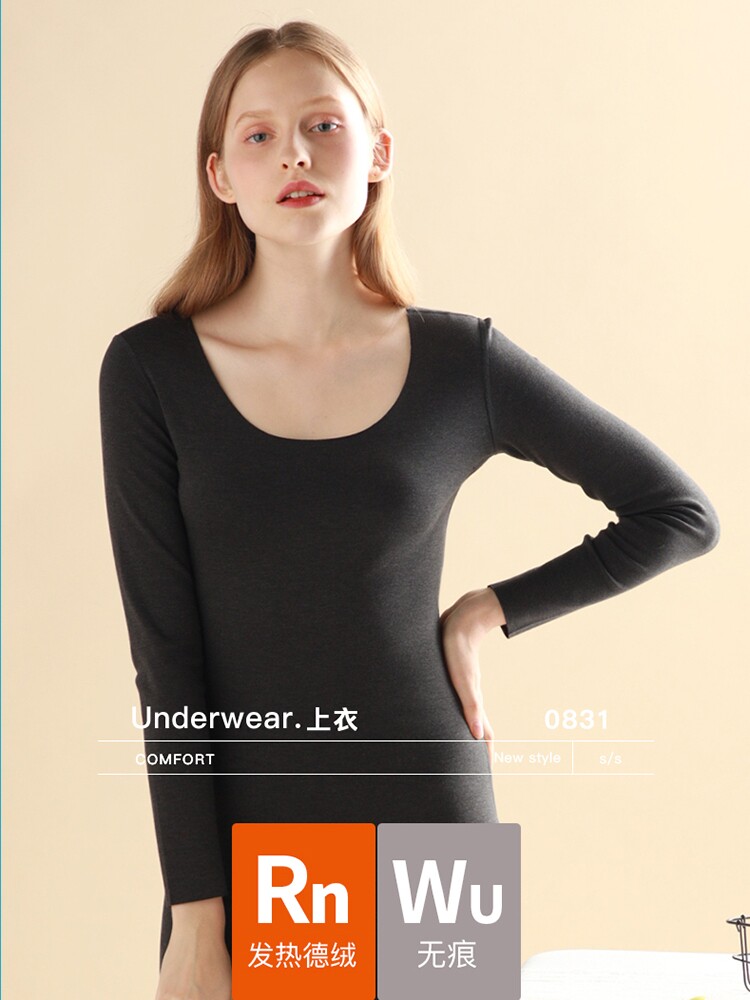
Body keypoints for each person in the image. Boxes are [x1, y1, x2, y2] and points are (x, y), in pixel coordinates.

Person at [98, 19, 720, 1000]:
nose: (295, 154)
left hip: (428, 812)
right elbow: (165, 660)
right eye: (259, 134)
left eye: (324, 125)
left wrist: (488, 611)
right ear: (220, 175)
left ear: (378, 153)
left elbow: (677, 512)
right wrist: (197, 914)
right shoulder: (151, 373)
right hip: (249, 836)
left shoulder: (457, 364)